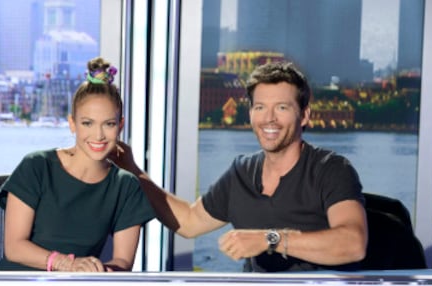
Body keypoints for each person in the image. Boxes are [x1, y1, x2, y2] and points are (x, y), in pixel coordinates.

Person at [110, 61, 367, 272]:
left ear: (305, 115)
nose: (269, 118)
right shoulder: (242, 172)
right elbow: (188, 222)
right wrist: (133, 170)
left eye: (282, 107)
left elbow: (353, 243)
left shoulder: (331, 169)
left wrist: (270, 239)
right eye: (260, 107)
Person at [0, 57, 155, 272]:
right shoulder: (37, 166)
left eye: (109, 124)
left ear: (121, 125)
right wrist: (68, 264)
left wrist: (100, 270)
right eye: (87, 123)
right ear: (72, 124)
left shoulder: (126, 186)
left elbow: (123, 262)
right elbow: (14, 248)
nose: (98, 135)